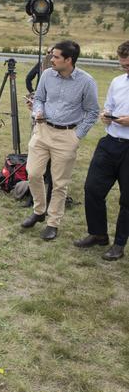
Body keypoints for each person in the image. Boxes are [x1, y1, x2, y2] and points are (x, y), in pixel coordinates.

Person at [21, 40, 99, 241]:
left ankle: (52, 222)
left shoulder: (86, 81)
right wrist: (38, 111)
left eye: (56, 57)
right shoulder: (47, 74)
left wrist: (76, 136)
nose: (51, 59)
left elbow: (92, 112)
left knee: (59, 183)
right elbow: (39, 98)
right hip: (42, 131)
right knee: (33, 173)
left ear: (69, 60)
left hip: (67, 136)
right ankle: (39, 211)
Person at [74, 41, 129, 260]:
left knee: (127, 200)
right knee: (93, 189)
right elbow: (110, 106)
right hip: (110, 142)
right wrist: (107, 115)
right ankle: (98, 234)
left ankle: (119, 243)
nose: (125, 68)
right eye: (123, 64)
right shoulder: (117, 82)